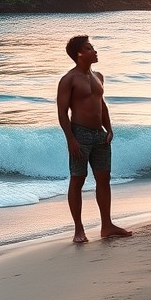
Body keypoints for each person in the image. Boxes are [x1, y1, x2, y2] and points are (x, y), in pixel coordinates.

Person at [57, 34, 133, 243]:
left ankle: (107, 226)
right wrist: (70, 139)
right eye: (90, 48)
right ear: (79, 54)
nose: (95, 51)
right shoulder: (68, 79)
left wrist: (108, 128)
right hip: (79, 134)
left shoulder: (98, 76)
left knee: (104, 179)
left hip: (100, 135)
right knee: (77, 180)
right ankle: (78, 229)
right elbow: (62, 112)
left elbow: (103, 104)